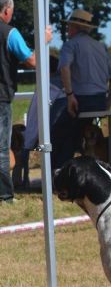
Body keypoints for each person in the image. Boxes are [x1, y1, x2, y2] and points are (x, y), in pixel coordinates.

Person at [0, 0, 52, 202]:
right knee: (2, 149)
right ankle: (4, 196)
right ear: (6, 10)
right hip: (1, 97)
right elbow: (32, 61)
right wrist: (44, 41)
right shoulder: (10, 33)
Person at [53, 9, 111, 169]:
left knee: (57, 131)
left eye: (69, 26)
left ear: (75, 27)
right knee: (76, 130)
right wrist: (107, 104)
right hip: (98, 101)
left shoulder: (70, 45)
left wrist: (70, 95)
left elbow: (64, 69)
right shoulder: (100, 46)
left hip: (80, 101)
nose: (67, 30)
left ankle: (59, 171)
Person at [15, 55, 63, 190]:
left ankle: (20, 180)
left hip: (41, 135)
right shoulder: (65, 86)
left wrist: (28, 141)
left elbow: (34, 118)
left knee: (22, 144)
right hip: (58, 132)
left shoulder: (45, 87)